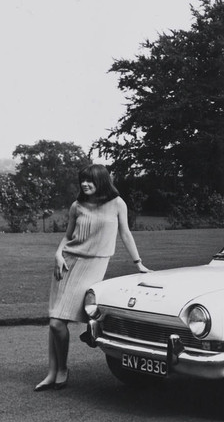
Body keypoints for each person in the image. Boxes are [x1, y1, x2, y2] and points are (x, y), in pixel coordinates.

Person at [34, 164, 151, 391]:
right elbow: (67, 237)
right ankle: (54, 372)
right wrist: (58, 254)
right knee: (56, 322)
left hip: (94, 265)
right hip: (67, 264)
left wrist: (138, 263)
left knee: (60, 321)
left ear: (102, 181)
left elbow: (125, 233)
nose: (85, 184)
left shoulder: (117, 204)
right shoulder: (77, 206)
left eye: (90, 180)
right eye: (83, 180)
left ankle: (63, 367)